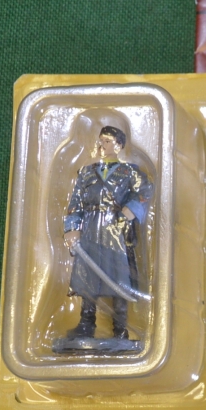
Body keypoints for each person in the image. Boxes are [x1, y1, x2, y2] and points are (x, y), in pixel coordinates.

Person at [60, 125, 153, 347]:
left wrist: (131, 209)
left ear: (119, 145)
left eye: (108, 141)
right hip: (91, 228)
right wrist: (72, 228)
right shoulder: (86, 172)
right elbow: (75, 203)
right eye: (101, 140)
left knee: (119, 277)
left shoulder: (129, 171)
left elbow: (145, 190)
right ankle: (86, 324)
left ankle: (120, 329)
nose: (102, 145)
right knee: (87, 275)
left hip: (116, 229)